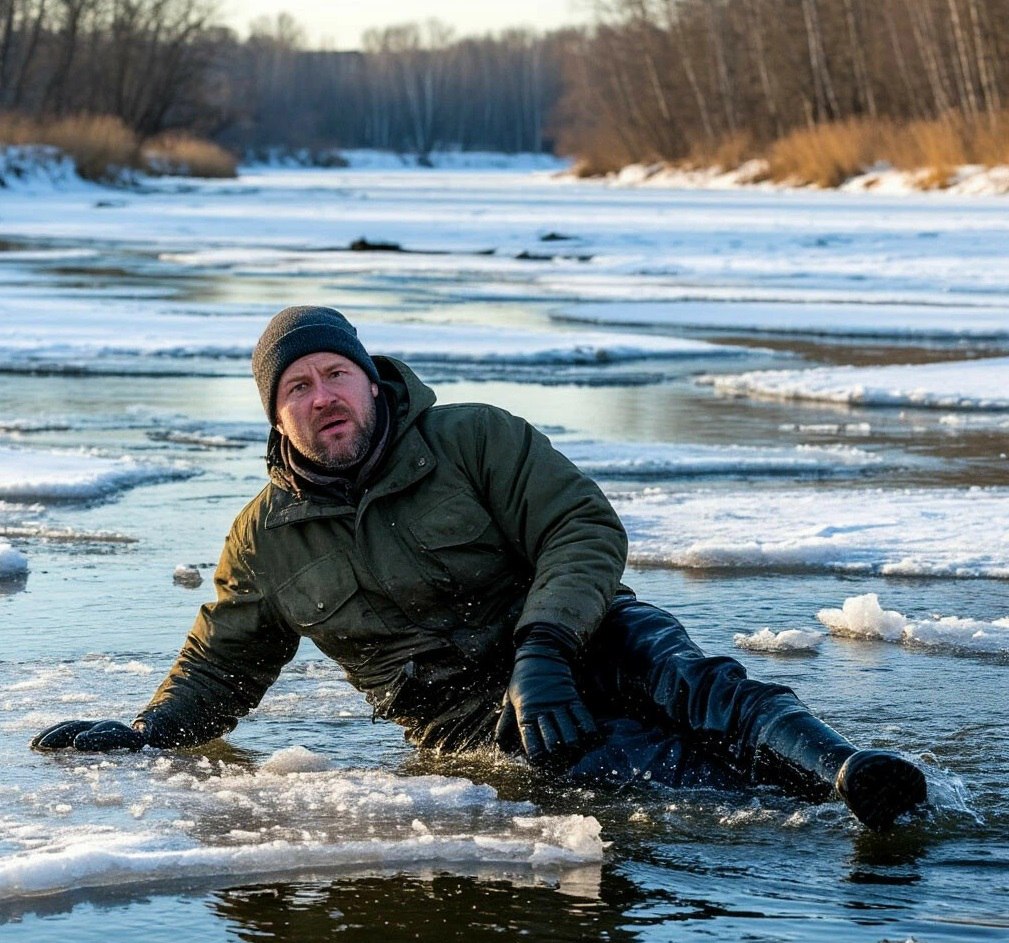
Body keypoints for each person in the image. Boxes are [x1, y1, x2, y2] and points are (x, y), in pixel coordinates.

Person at [32, 305, 927, 831]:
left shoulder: (472, 437)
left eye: (334, 373)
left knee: (692, 681)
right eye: (296, 388)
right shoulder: (264, 538)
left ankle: (847, 770)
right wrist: (150, 734)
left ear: (371, 381)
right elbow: (223, 664)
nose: (321, 397)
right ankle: (805, 823)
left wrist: (544, 644)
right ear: (276, 419)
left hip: (578, 631)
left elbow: (581, 526)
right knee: (628, 760)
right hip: (462, 712)